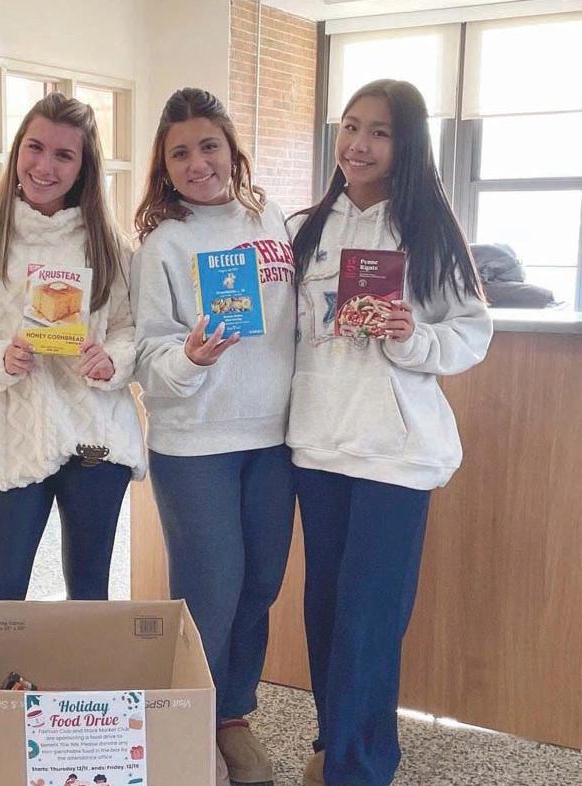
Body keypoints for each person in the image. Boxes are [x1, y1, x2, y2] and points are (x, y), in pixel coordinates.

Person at [287, 79, 493, 786]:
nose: (359, 144)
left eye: (379, 131)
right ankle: (335, 742)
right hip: (318, 448)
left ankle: (360, 769)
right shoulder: (305, 229)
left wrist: (411, 338)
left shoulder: (430, 232)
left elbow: (471, 333)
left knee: (369, 623)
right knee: (324, 612)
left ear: (406, 145)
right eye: (350, 127)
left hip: (394, 457)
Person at [131, 87, 297, 786]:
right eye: (180, 153)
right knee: (210, 592)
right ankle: (190, 729)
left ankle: (231, 716)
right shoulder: (163, 245)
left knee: (260, 585)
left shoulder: (271, 216)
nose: (198, 163)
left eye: (209, 146)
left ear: (232, 148)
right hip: (194, 443)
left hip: (275, 437)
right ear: (164, 167)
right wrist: (190, 359)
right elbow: (146, 355)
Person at [0, 92, 145, 602]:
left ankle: (84, 663)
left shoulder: (111, 247)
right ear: (17, 150)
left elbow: (134, 328)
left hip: (96, 436)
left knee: (90, 595)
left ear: (84, 167)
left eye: (64, 155)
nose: (45, 167)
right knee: (0, 596)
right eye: (36, 148)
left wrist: (111, 358)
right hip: (12, 437)